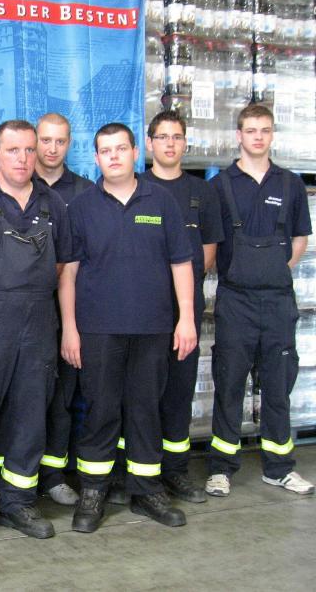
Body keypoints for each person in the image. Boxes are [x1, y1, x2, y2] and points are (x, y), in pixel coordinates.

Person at [61, 123, 197, 533]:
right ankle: (93, 491)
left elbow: (181, 263)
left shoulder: (162, 201)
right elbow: (68, 273)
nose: (114, 156)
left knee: (145, 409)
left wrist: (186, 318)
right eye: (106, 151)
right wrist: (69, 328)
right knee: (100, 410)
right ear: (96, 158)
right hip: (98, 329)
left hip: (153, 328)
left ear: (136, 152)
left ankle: (147, 490)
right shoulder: (81, 207)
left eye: (121, 148)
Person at [0, 120, 72, 547]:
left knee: (30, 413)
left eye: (28, 150)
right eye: (13, 150)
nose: (22, 159)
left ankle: (19, 501)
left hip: (38, 320)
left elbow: (62, 266)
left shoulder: (52, 203)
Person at [205, 104, 315, 497]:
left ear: (271, 135)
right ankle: (221, 469)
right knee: (229, 385)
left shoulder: (290, 184)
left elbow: (300, 237)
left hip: (278, 302)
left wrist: (275, 267)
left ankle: (279, 468)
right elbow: (210, 244)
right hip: (235, 301)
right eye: (251, 130)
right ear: (239, 135)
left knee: (278, 385)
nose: (257, 137)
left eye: (264, 130)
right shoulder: (220, 186)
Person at [140, 111, 224, 503]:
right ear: (149, 143)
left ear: (185, 143)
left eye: (176, 137)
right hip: (143, 313)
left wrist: (182, 296)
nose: (170, 144)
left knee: (178, 394)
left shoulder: (201, 192)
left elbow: (207, 253)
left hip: (183, 314)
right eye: (162, 137)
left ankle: (175, 471)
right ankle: (139, 473)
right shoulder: (137, 188)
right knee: (142, 394)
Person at [33, 113, 93, 507]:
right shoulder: (18, 185)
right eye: (46, 140)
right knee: (21, 398)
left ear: (70, 143)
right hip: (28, 311)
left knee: (63, 397)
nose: (52, 148)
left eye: (60, 141)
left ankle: (53, 475)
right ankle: (11, 478)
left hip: (73, 313)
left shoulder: (86, 193)